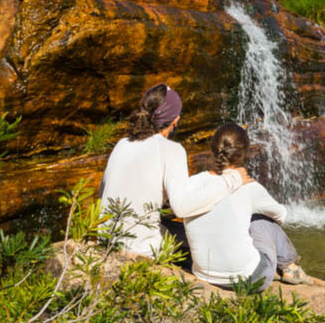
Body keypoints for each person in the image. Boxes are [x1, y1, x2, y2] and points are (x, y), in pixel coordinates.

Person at [100, 84, 249, 257]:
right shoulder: (172, 149)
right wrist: (232, 180)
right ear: (175, 120)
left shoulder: (122, 144)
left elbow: (103, 193)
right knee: (203, 238)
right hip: (140, 248)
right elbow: (182, 207)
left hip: (107, 238)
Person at [184, 123, 308, 290]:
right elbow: (281, 215)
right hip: (249, 279)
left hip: (204, 274)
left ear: (213, 149)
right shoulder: (249, 187)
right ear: (244, 154)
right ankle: (289, 267)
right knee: (261, 218)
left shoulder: (193, 183)